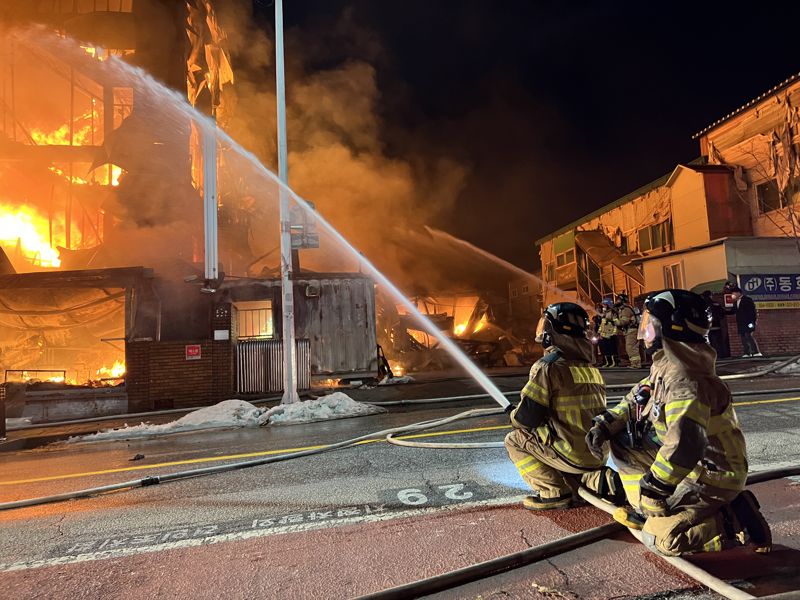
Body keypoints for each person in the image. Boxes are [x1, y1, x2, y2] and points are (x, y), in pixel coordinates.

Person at [585, 289, 771, 556]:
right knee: (624, 442)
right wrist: (607, 423)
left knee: (661, 540)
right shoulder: (668, 365)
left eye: (650, 324)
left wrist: (654, 487)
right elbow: (639, 394)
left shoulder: (685, 382)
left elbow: (684, 446)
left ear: (670, 329)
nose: (645, 331)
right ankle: (652, 511)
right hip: (695, 465)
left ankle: (731, 519)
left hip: (713, 474)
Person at [505, 302, 623, 510]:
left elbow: (527, 418)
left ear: (552, 331)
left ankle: (553, 492)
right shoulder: (590, 367)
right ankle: (595, 480)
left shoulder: (549, 366)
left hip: (569, 453)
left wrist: (513, 414)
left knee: (515, 439)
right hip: (597, 453)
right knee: (560, 439)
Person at [730, 286, 761, 357]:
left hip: (748, 322)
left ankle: (756, 352)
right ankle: (747, 353)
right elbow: (732, 311)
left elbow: (752, 312)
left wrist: (753, 321)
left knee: (749, 335)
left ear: (738, 293)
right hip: (740, 323)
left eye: (734, 293)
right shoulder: (735, 302)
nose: (733, 295)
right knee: (743, 337)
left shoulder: (747, 300)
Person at [614, 292, 641, 368]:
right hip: (630, 330)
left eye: (618, 300)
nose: (616, 301)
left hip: (631, 330)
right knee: (630, 347)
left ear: (622, 300)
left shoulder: (625, 309)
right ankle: (634, 363)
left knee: (631, 347)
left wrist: (615, 320)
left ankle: (636, 364)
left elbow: (624, 321)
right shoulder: (624, 309)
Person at [702, 290, 729, 359]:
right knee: (719, 342)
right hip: (716, 326)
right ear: (710, 296)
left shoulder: (701, 305)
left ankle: (711, 356)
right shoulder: (715, 304)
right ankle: (720, 355)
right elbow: (722, 312)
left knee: (708, 343)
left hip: (706, 328)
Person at [598, 298, 618, 367]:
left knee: (612, 349)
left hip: (610, 334)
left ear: (608, 305)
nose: (603, 306)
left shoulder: (612, 313)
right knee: (606, 349)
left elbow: (615, 324)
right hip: (604, 335)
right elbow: (602, 324)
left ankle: (614, 362)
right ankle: (608, 362)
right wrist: (599, 333)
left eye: (604, 305)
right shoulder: (604, 313)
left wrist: (614, 333)